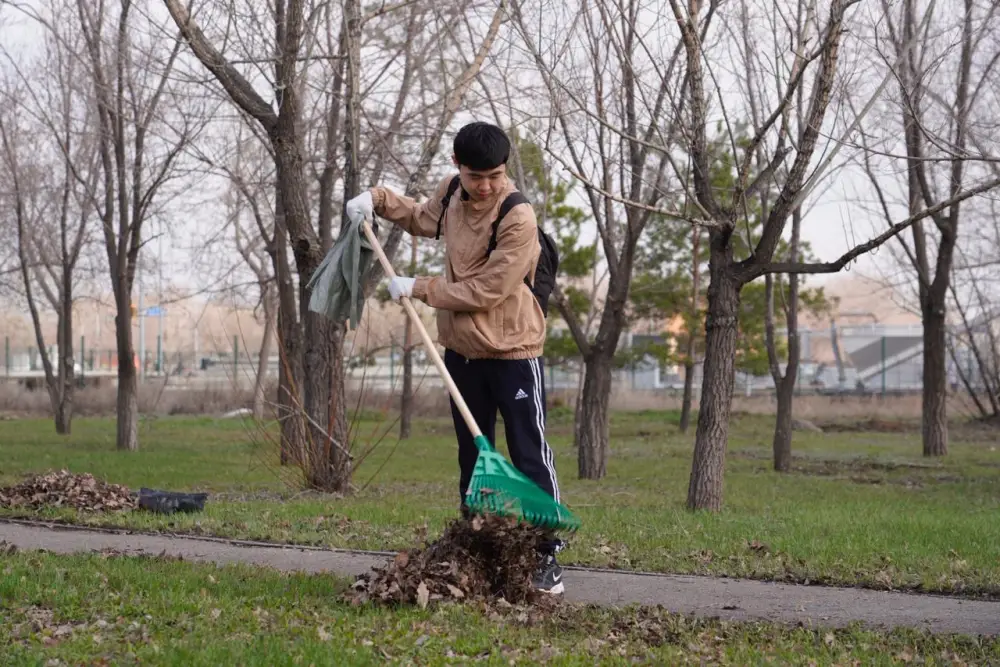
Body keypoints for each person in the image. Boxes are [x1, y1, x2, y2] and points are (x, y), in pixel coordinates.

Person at [344, 121, 565, 595]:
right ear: (457, 167)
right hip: (462, 352)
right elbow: (424, 219)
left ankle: (546, 554)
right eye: (475, 176)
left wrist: (420, 288)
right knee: (473, 454)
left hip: (513, 351)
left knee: (529, 451)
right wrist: (378, 200)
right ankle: (478, 546)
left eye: (495, 175)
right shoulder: (450, 193)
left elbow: (490, 289)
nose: (485, 186)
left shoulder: (517, 216)